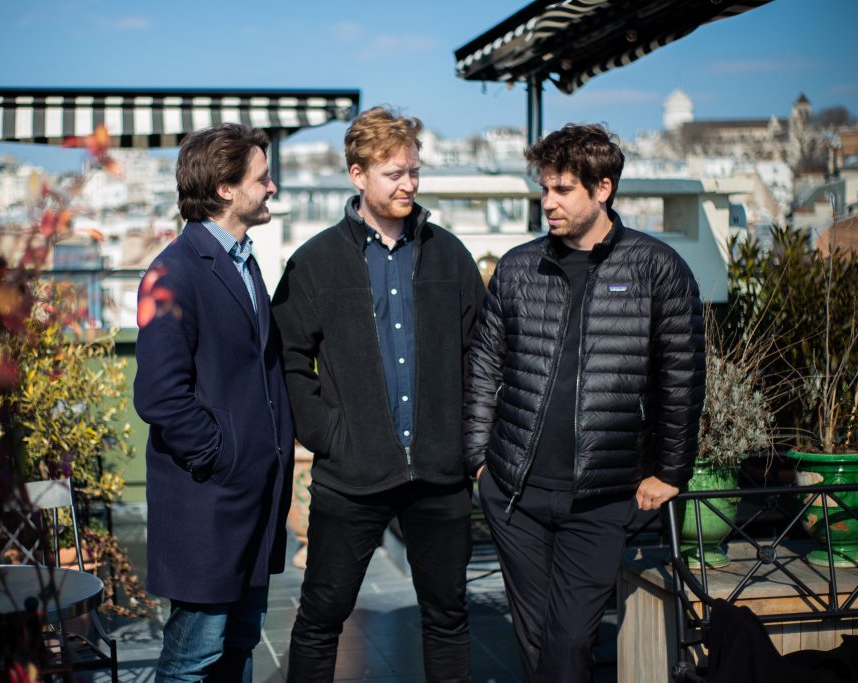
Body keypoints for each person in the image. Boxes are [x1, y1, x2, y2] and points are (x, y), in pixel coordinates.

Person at [463, 123, 705, 682]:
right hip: (515, 493)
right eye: (544, 188)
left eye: (562, 189)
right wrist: (479, 460)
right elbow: (484, 367)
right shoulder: (520, 268)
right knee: (533, 637)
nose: (547, 202)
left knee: (570, 639)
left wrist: (671, 470)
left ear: (603, 189)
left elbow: (683, 378)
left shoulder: (656, 268)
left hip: (600, 496)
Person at [272, 106, 485, 683]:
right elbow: (289, 356)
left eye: (414, 171)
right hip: (352, 478)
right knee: (321, 616)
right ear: (357, 174)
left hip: (440, 476)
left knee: (447, 617)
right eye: (394, 173)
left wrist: (469, 440)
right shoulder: (315, 261)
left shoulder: (450, 255)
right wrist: (327, 433)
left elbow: (482, 354)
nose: (409, 184)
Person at [133, 123, 295, 683]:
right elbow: (159, 396)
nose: (271, 188)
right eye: (262, 177)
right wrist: (222, 454)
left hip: (252, 499)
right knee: (191, 661)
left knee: (238, 647)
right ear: (226, 188)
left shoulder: (243, 261)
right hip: (210, 502)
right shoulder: (173, 272)